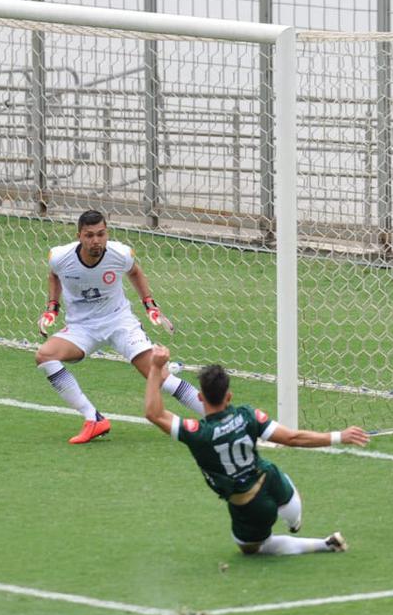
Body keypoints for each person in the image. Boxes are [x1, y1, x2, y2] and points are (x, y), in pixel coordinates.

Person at [142, 345, 370, 555]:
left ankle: (322, 544)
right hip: (271, 478)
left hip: (247, 503)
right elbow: (292, 438)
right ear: (229, 396)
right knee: (278, 483)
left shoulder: (198, 433)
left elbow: (154, 413)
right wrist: (340, 436)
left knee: (251, 549)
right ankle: (294, 520)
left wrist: (155, 367)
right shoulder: (247, 415)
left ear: (200, 397)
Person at [35, 209, 207, 444]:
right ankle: (93, 418)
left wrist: (150, 305)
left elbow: (135, 272)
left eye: (101, 234)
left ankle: (218, 417)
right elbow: (54, 275)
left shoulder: (120, 254)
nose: (96, 241)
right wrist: (52, 306)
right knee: (45, 355)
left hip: (119, 322)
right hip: (81, 328)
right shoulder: (60, 257)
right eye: (89, 235)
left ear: (107, 233)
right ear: (79, 236)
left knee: (159, 377)